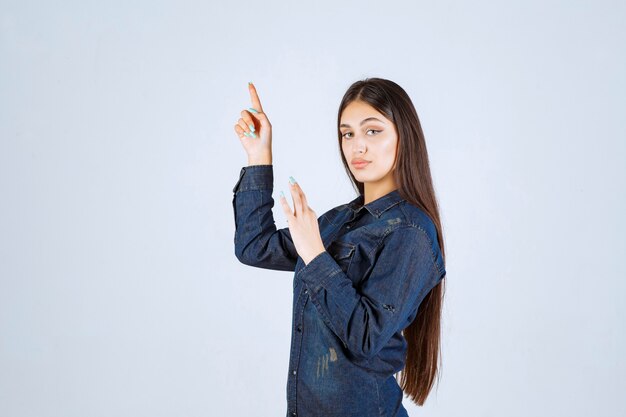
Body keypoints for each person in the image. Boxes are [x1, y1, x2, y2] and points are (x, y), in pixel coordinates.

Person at [231, 77, 447, 417]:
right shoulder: (339, 221)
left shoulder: (411, 233)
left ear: (404, 137)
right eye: (348, 134)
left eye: (372, 131)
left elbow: (366, 337)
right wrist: (259, 156)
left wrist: (316, 255)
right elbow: (255, 246)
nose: (357, 146)